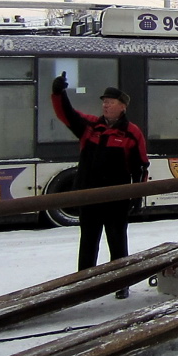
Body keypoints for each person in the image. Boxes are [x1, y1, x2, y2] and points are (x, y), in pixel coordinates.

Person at [50, 72, 149, 297]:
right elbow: (67, 114)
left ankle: (121, 283)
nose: (105, 105)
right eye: (104, 102)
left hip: (116, 199)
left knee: (117, 242)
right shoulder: (90, 127)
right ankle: (84, 285)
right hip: (89, 196)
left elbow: (141, 166)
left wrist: (137, 196)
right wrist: (59, 93)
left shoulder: (132, 133)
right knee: (88, 242)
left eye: (110, 102)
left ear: (122, 106)